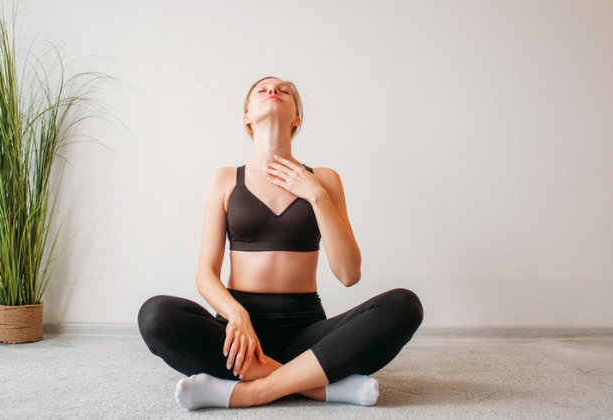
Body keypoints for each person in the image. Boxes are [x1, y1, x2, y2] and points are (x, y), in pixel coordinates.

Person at [138, 76, 423, 410]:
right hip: (238, 335)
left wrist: (315, 194)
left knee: (405, 305)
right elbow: (205, 274)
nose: (273, 91)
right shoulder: (225, 179)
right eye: (262, 90)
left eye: (284, 91)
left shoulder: (325, 180)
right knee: (155, 315)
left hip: (306, 332)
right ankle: (317, 386)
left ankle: (252, 390)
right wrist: (236, 314)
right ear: (247, 117)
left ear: (297, 119)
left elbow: (349, 274)